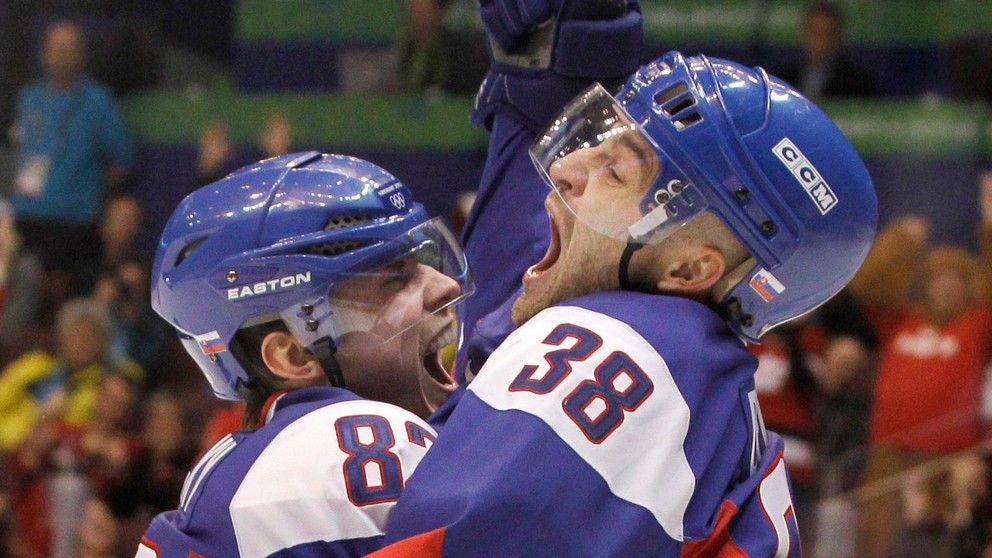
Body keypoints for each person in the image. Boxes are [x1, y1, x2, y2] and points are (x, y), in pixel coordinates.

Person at [369, 0, 878, 554]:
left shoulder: (619, 349)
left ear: (689, 268)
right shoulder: (682, 358)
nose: (562, 169)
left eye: (613, 170)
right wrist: (557, 63)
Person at [135, 151, 474, 557]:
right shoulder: (352, 442)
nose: (444, 286)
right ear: (293, 354)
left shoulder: (240, 472)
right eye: (394, 278)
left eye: (424, 260)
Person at [849, 178, 992, 557]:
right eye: (937, 277)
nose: (946, 285)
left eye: (957, 278)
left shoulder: (976, 324)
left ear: (971, 285)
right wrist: (901, 242)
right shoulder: (902, 321)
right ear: (924, 284)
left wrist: (991, 227)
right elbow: (871, 287)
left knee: (945, 545)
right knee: (875, 542)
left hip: (949, 457)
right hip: (888, 455)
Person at [10, 19, 134, 300]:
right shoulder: (29, 98)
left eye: (68, 48)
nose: (61, 55)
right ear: (44, 52)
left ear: (81, 54)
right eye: (55, 47)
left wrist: (80, 187)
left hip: (74, 223)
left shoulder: (97, 101)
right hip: (26, 216)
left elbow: (122, 161)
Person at [775, 2, 880, 101]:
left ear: (838, 37)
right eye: (815, 32)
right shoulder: (781, 82)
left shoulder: (859, 85)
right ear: (804, 33)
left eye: (826, 33)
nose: (820, 41)